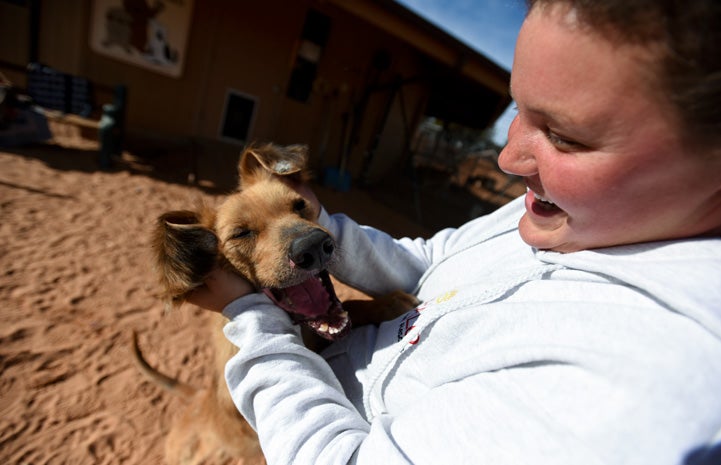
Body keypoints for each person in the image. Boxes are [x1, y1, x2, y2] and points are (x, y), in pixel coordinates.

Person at [188, 0, 721, 463]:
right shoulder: (567, 210)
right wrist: (318, 225)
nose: (508, 158)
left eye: (562, 137)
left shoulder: (647, 386)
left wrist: (251, 317)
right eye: (519, 109)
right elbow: (433, 260)